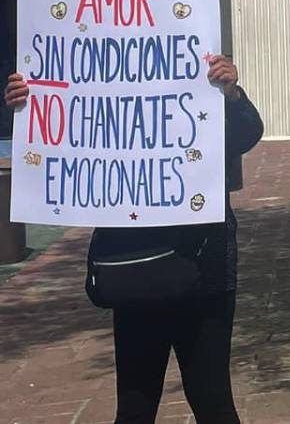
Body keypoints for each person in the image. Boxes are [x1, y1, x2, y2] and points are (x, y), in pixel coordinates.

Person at [5, 55, 263, 424]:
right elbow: (54, 145)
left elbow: (245, 134)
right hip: (133, 263)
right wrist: (30, 107)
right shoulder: (97, 87)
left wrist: (231, 92)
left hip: (203, 265)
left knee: (211, 399)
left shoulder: (200, 80)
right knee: (135, 406)